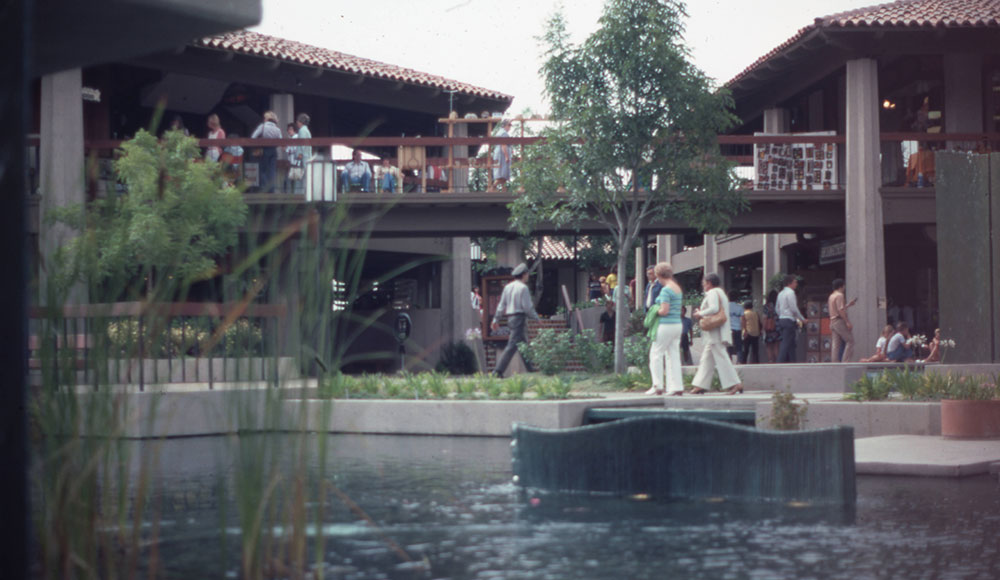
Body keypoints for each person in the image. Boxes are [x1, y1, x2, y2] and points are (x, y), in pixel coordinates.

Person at [690, 273, 744, 395]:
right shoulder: (720, 293)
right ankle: (700, 384)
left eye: (704, 282)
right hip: (717, 331)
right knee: (706, 359)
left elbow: (714, 309)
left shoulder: (713, 293)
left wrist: (700, 313)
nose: (703, 284)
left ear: (709, 283)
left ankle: (735, 384)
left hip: (715, 331)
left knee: (721, 356)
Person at [491, 263, 539, 377]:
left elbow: (501, 305)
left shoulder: (508, 287)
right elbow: (527, 307)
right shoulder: (523, 288)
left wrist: (495, 319)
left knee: (522, 344)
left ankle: (530, 369)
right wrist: (536, 318)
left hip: (510, 317)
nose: (528, 276)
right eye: (527, 274)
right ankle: (497, 371)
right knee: (512, 345)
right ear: (524, 274)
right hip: (519, 317)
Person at [645, 262, 684, 396]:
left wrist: (655, 310)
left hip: (665, 325)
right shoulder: (677, 288)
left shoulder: (666, 289)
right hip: (677, 324)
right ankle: (677, 386)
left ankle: (657, 385)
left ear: (659, 275)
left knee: (655, 354)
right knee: (673, 356)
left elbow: (664, 311)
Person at [776, 275, 805, 363]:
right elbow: (793, 308)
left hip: (782, 319)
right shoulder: (791, 293)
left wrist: (781, 315)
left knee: (791, 342)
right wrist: (802, 319)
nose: (796, 284)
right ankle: (779, 362)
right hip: (789, 319)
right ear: (790, 283)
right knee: (786, 342)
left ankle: (793, 361)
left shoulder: (780, 293)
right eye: (795, 282)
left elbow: (777, 308)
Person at [250, 110, 281, 192]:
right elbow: (281, 140)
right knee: (272, 170)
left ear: (266, 119)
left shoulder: (262, 126)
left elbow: (253, 137)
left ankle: (265, 187)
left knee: (263, 170)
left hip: (264, 150)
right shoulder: (277, 129)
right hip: (273, 151)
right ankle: (272, 189)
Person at [828, 278, 858, 362]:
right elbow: (840, 310)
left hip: (832, 321)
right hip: (839, 320)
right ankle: (845, 361)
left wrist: (848, 305)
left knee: (835, 344)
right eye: (844, 285)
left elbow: (838, 308)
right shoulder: (840, 295)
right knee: (850, 341)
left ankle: (834, 363)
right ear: (841, 286)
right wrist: (847, 321)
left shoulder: (831, 296)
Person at [291, 113, 312, 194]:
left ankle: (300, 193)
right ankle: (305, 192)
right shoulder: (306, 130)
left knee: (300, 176)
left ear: (301, 122)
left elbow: (301, 143)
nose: (297, 122)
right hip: (307, 155)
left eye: (298, 121)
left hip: (303, 156)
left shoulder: (302, 130)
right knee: (305, 175)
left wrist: (299, 155)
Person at [492, 119, 512, 191]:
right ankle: (492, 188)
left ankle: (504, 189)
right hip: (502, 155)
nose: (510, 127)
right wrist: (506, 156)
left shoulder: (499, 132)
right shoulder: (504, 133)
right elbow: (503, 145)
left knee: (502, 174)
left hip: (498, 154)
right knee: (502, 174)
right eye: (509, 125)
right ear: (505, 125)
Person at [762, 290, 781, 363]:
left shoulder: (767, 306)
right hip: (777, 327)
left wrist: (763, 328)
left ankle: (770, 360)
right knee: (776, 345)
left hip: (769, 327)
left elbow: (765, 317)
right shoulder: (778, 305)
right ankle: (777, 360)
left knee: (769, 345)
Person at [728, 290, 744, 361]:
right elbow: (743, 320)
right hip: (737, 328)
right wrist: (744, 329)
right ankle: (739, 361)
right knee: (738, 345)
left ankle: (729, 360)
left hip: (728, 329)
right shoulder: (740, 307)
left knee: (728, 345)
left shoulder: (725, 307)